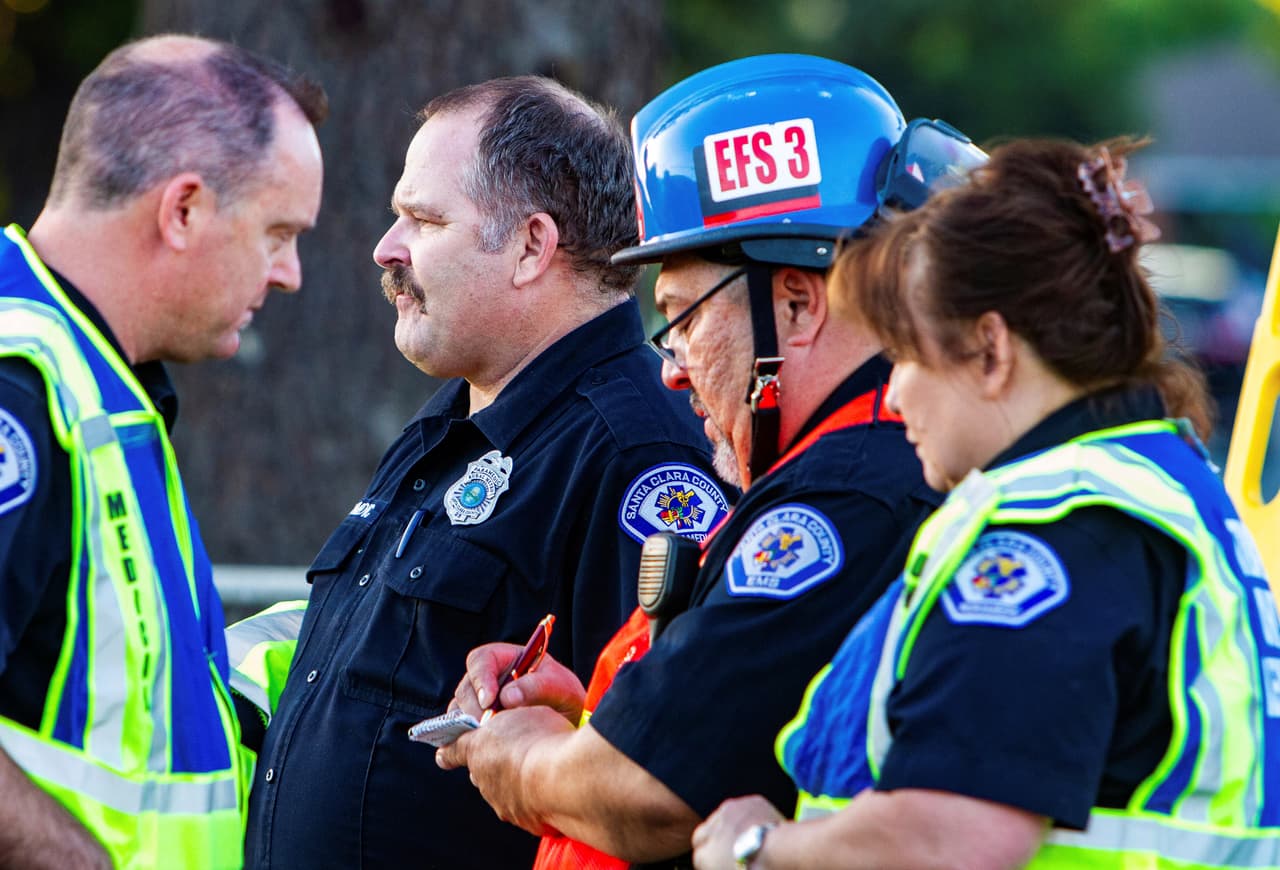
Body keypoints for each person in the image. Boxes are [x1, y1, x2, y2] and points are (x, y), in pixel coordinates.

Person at [437, 55, 980, 867]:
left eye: (681, 318)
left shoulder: (845, 498)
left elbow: (653, 786)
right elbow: (725, 733)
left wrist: (518, 758)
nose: (671, 365)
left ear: (797, 302)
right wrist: (589, 718)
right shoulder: (850, 473)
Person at [690, 138, 1280, 869]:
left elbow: (951, 839)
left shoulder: (1054, 529)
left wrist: (758, 849)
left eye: (906, 355)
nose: (896, 391)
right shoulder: (1153, 485)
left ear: (991, 350)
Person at [234, 76, 728, 870]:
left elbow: (651, 772)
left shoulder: (639, 456)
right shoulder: (453, 422)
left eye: (424, 220)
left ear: (533, 245)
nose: (385, 248)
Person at [0, 34, 325, 870]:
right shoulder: (22, 384)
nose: (289, 274)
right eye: (278, 232)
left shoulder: (98, 377)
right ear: (182, 210)